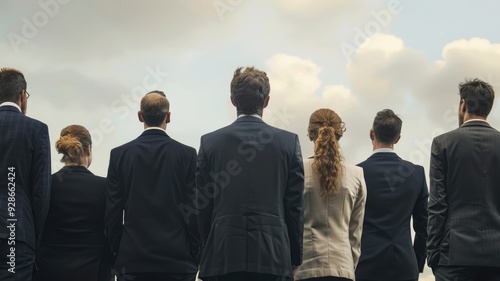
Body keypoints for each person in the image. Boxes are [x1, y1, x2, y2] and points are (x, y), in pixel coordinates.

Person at [196, 66, 304, 281]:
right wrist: (294, 258)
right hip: (273, 258)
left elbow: (201, 205)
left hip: (222, 256)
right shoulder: (288, 143)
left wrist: (205, 253)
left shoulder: (210, 143)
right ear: (266, 101)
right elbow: (295, 207)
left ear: (233, 100)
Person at [105, 90, 200, 281]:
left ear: (140, 116)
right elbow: (195, 210)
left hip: (132, 261)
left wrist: (118, 252)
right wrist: (195, 254)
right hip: (177, 262)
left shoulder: (119, 155)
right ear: (168, 116)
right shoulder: (187, 155)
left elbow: (113, 214)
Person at [427, 78, 500, 280]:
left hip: (454, 256)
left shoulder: (442, 143)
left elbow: (437, 204)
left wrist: (433, 254)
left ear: (463, 104)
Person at [355, 109, 428, 281]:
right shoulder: (416, 173)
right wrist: (416, 262)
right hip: (405, 265)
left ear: (372, 134)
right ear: (398, 138)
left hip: (365, 265)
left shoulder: (356, 173)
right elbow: (424, 227)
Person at [295, 108, 366, 281]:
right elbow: (355, 233)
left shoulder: (297, 170)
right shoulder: (357, 174)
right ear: (339, 135)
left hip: (306, 268)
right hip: (343, 267)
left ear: (311, 135)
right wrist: (350, 264)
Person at [34, 125, 113, 281]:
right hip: (93, 270)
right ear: (89, 150)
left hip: (49, 270)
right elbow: (111, 228)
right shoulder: (105, 187)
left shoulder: (47, 185)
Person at [0, 68, 51, 281]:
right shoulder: (36, 129)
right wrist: (34, 237)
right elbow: (41, 193)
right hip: (17, 234)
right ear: (22, 96)